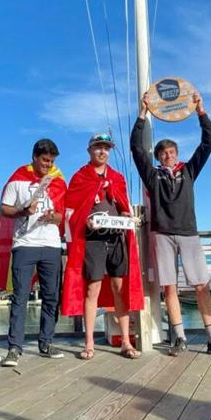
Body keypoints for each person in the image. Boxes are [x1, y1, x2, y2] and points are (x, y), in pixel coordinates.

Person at [132, 92, 211, 357]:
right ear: (158, 158)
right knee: (170, 287)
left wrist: (201, 111)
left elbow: (208, 142)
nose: (168, 156)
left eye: (171, 152)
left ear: (177, 154)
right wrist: (143, 113)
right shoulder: (152, 175)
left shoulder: (189, 171)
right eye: (163, 154)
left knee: (201, 285)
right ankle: (179, 337)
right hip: (162, 234)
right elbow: (135, 147)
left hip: (189, 233)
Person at [61, 133, 144, 360]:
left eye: (106, 148)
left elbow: (124, 205)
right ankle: (89, 343)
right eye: (98, 147)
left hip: (116, 239)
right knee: (92, 290)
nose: (102, 152)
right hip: (93, 241)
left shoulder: (117, 178)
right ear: (90, 150)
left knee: (120, 288)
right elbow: (71, 213)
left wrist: (127, 214)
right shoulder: (80, 177)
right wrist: (86, 220)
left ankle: (126, 341)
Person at [0, 139, 67, 367]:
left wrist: (52, 217)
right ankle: (14, 348)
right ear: (34, 156)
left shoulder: (58, 181)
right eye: (45, 161)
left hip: (52, 245)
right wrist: (23, 210)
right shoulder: (18, 179)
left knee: (51, 297)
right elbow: (4, 209)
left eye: (52, 161)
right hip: (24, 244)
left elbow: (62, 216)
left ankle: (46, 342)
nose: (48, 165)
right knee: (20, 297)